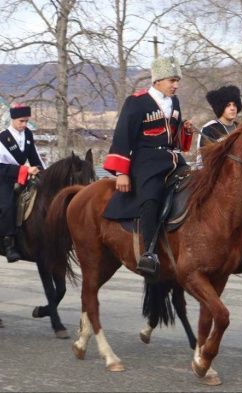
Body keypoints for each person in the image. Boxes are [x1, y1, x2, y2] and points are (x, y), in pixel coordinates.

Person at [102, 56, 193, 279]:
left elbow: (174, 139)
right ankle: (148, 253)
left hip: (173, 160)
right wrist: (122, 172)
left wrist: (186, 131)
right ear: (158, 80)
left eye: (177, 80)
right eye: (173, 80)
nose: (176, 85)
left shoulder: (175, 102)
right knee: (151, 199)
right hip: (146, 163)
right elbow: (123, 136)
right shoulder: (136, 102)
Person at [0, 103, 45, 263]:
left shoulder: (28, 134)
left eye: (26, 121)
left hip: (26, 175)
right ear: (13, 119)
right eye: (21, 121)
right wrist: (26, 170)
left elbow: (34, 156)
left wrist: (42, 171)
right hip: (7, 177)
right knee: (7, 205)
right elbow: (2, 165)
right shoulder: (2, 137)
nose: (24, 124)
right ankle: (9, 243)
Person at [196, 85, 242, 166]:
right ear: (221, 107)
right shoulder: (209, 128)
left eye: (234, 105)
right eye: (228, 105)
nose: (232, 108)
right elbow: (202, 161)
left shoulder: (241, 128)